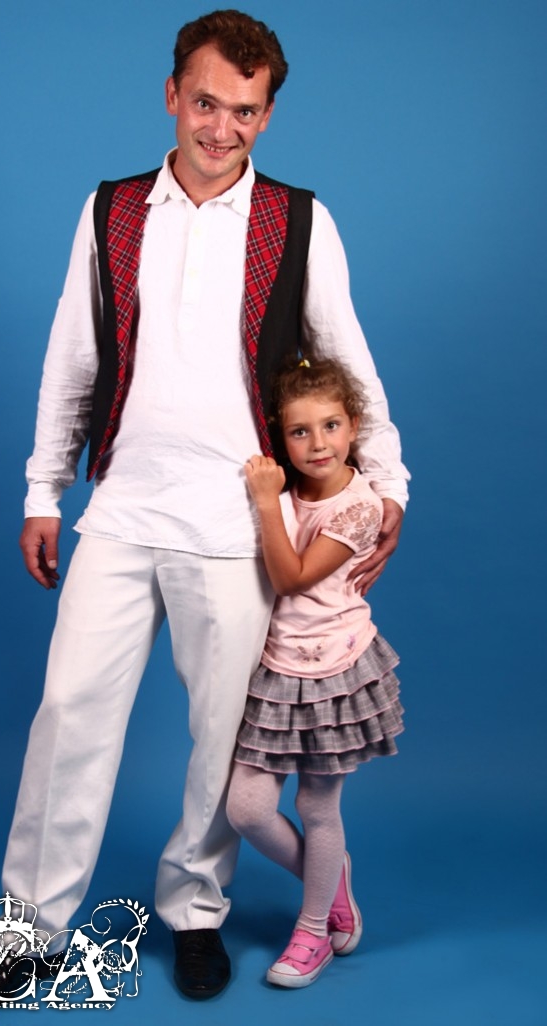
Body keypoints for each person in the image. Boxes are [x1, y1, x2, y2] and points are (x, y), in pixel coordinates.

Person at [0, 9, 409, 1003]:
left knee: (225, 737)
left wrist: (390, 481)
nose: (222, 128)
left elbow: (346, 355)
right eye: (207, 103)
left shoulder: (299, 221)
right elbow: (73, 357)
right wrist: (45, 488)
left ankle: (195, 910)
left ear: (267, 117)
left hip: (238, 526)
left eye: (246, 111)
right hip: (123, 506)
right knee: (69, 715)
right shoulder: (112, 209)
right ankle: (29, 925)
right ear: (173, 94)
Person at [227, 357, 404, 989]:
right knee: (247, 810)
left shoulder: (358, 508)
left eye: (331, 425)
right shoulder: (292, 492)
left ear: (353, 426)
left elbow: (292, 577)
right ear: (283, 437)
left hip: (336, 670)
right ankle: (330, 882)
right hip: (277, 669)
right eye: (300, 431)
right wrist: (274, 498)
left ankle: (311, 933)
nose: (318, 443)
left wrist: (264, 502)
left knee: (315, 806)